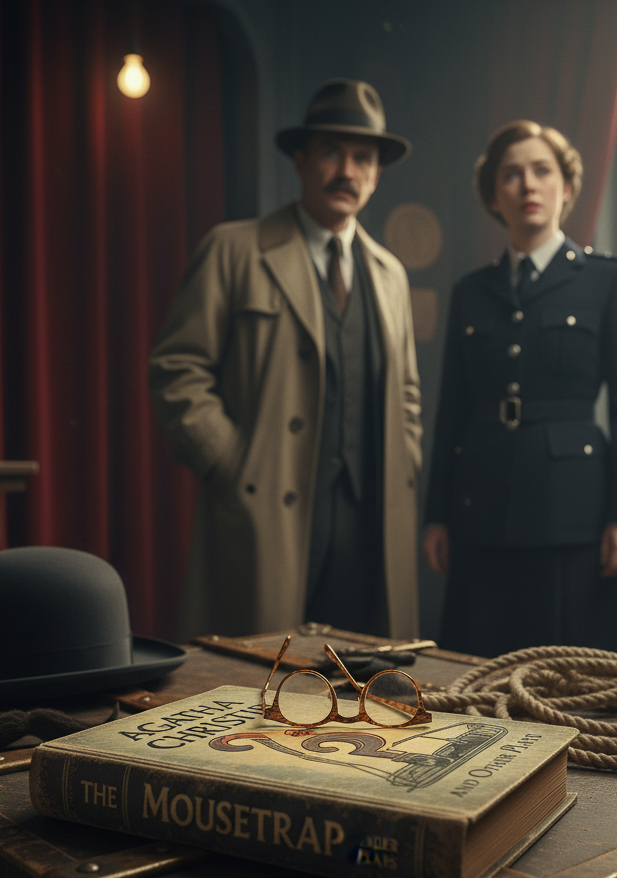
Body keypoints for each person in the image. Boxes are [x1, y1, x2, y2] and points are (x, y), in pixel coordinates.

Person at [149, 79, 422, 642]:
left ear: (375, 175)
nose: (347, 170)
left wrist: (406, 462)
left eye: (363, 158)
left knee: (366, 689)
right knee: (260, 690)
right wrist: (229, 462)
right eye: (331, 152)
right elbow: (178, 367)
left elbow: (408, 395)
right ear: (300, 161)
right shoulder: (234, 249)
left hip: (372, 519)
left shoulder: (391, 274)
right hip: (264, 513)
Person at [422, 120, 617, 657]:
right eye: (511, 175)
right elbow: (451, 407)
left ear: (566, 189)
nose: (527, 184)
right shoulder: (471, 291)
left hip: (571, 513)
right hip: (481, 507)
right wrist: (437, 514)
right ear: (493, 197)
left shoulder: (608, 280)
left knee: (570, 683)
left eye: (541, 171)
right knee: (477, 674)